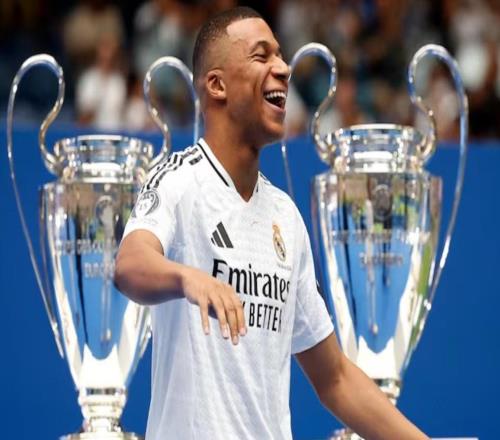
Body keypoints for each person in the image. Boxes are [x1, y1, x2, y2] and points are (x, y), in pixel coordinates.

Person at [114, 7, 429, 440]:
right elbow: (129, 265)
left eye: (280, 56)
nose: (283, 68)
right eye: (262, 56)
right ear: (217, 85)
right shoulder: (179, 179)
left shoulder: (285, 216)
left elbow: (335, 378)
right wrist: (188, 278)